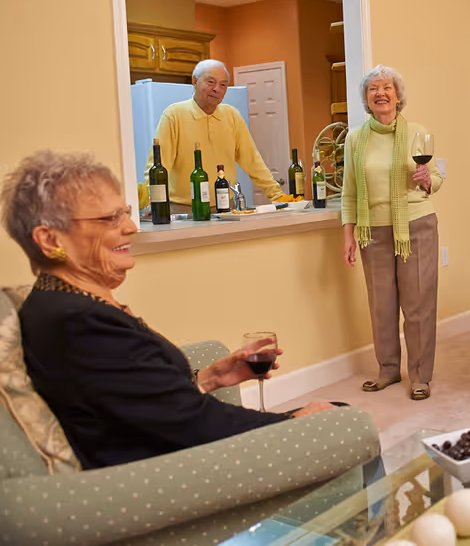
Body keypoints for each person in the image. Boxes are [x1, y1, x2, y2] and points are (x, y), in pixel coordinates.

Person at [1, 151, 340, 469]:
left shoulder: (65, 303)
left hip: (170, 451)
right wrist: (292, 422)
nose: (131, 227)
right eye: (110, 218)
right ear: (51, 240)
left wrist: (211, 377)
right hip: (170, 477)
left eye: (125, 212)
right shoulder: (78, 323)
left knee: (333, 413)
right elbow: (194, 425)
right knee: (340, 419)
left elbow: (138, 403)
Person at [341, 65, 443, 401]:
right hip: (373, 230)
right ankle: (388, 370)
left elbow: (436, 178)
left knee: (418, 305)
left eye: (387, 87)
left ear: (398, 96)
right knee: (381, 306)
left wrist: (427, 180)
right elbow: (349, 192)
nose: (380, 93)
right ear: (366, 99)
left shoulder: (416, 132)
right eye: (373, 88)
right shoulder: (355, 139)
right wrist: (348, 235)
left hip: (416, 225)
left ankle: (420, 376)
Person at [144, 59, 283, 214]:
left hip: (226, 207)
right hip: (183, 209)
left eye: (223, 85)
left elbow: (253, 161)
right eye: (211, 82)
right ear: (194, 81)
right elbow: (158, 165)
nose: (217, 89)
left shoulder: (232, 115)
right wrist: (151, 203)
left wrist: (278, 196)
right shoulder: (174, 115)